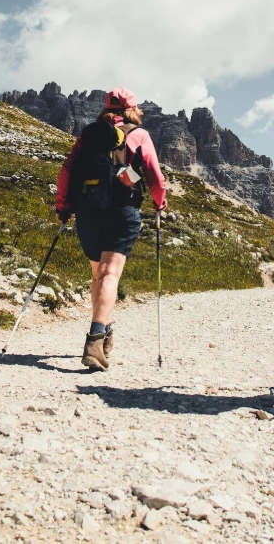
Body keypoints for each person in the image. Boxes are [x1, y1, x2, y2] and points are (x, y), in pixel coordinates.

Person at [56, 87, 167, 370]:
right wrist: (159, 203)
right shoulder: (138, 134)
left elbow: (67, 170)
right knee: (110, 273)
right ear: (132, 109)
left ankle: (104, 331)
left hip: (88, 211)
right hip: (121, 210)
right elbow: (153, 174)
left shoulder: (88, 136)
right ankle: (95, 340)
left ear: (106, 109)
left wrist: (63, 208)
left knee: (98, 273)